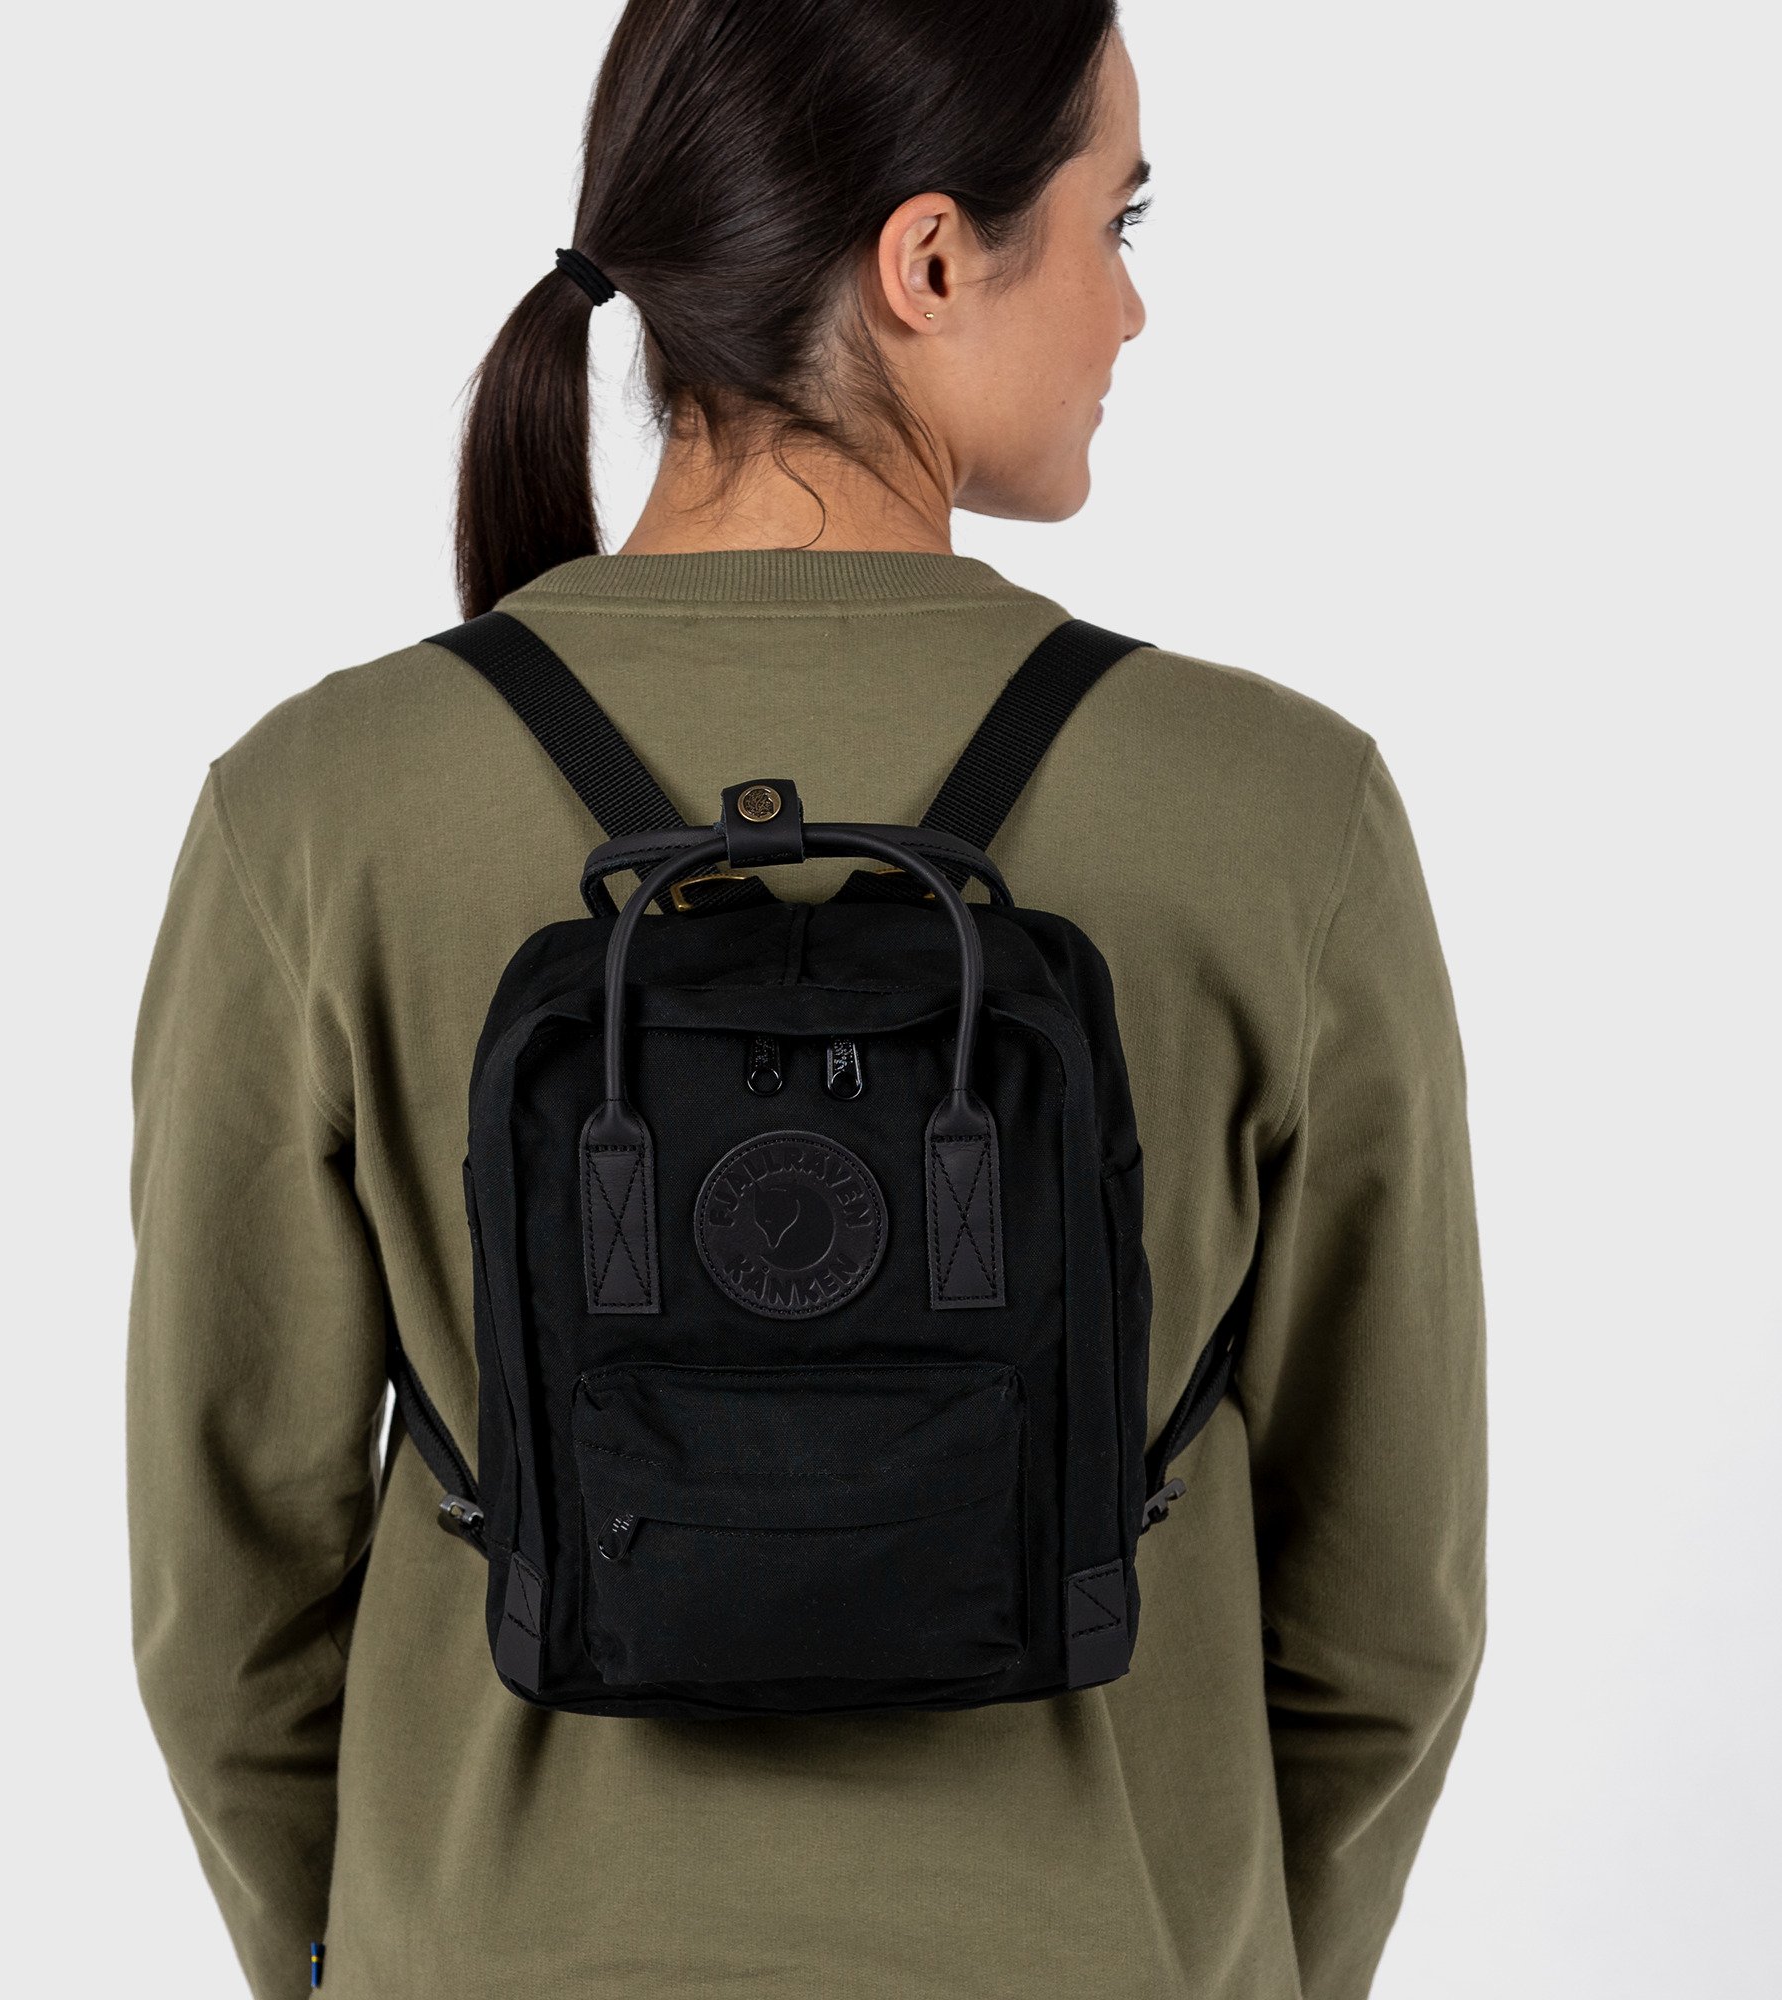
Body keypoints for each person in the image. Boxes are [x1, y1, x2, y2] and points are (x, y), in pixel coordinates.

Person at [126, 5, 1486, 1996]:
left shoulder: (317, 808)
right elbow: (1385, 1622)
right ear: (928, 259)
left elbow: (227, 1603)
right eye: (1115, 221)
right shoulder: (1285, 811)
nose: (1129, 308)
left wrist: (340, 1959)